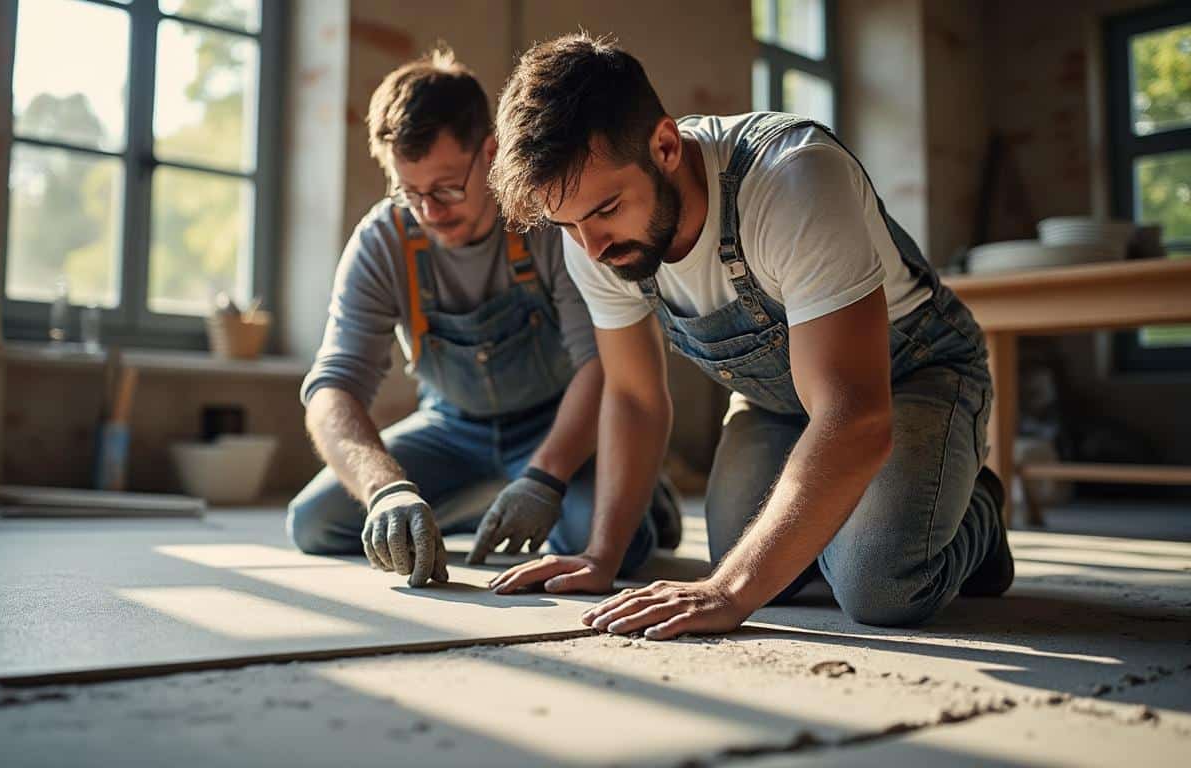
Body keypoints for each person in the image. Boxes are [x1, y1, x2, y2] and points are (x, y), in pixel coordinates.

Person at [484, 33, 1011, 636]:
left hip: (912, 372)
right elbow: (632, 397)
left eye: (606, 210)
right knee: (752, 554)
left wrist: (730, 593)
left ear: (664, 146)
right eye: (565, 224)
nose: (591, 247)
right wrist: (601, 556)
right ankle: (895, 505)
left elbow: (855, 414)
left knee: (876, 583)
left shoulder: (792, 178)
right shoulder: (589, 234)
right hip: (775, 398)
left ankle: (978, 514)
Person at [288, 46, 681, 587]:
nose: (431, 211)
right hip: (451, 429)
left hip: (559, 421)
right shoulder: (382, 242)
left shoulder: (552, 222)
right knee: (314, 524)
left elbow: (601, 367)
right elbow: (332, 390)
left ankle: (636, 489)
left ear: (491, 153)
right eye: (411, 192)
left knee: (621, 546)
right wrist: (387, 490)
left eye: (448, 187)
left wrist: (545, 477)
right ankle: (476, 499)